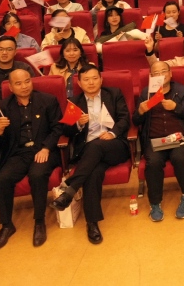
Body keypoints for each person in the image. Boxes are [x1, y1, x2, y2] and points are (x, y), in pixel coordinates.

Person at [50, 64, 131, 244]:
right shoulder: (74, 102)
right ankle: (92, 223)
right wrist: (78, 124)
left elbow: (125, 119)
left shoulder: (114, 94)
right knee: (93, 174)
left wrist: (113, 133)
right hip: (89, 154)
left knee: (96, 147)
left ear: (101, 79)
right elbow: (66, 130)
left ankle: (70, 189)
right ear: (79, 83)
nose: (91, 82)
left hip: (114, 145)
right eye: (86, 79)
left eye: (95, 78)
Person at [0, 69, 63, 249]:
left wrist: (46, 148)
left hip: (44, 149)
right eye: (18, 83)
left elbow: (58, 128)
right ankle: (6, 225)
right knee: (2, 179)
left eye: (27, 81)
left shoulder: (47, 100)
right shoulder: (3, 107)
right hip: (18, 152)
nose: (24, 86)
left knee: (37, 175)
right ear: (10, 87)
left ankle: (39, 222)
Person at [133, 62, 184, 221]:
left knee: (179, 158)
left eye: (164, 71)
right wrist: (140, 111)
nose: (161, 75)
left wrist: (176, 107)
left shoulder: (182, 91)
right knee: (153, 162)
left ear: (170, 73)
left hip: (178, 138)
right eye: (156, 73)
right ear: (151, 76)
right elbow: (135, 121)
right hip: (155, 139)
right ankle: (155, 203)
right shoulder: (146, 93)